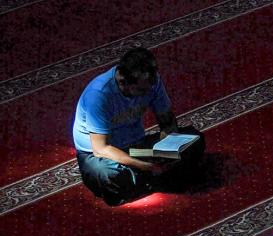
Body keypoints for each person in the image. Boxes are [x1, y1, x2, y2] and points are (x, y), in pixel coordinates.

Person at [71, 47, 205, 205]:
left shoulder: (151, 82)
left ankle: (147, 180)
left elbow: (167, 120)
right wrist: (146, 166)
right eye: (141, 90)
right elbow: (102, 149)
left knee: (194, 139)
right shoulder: (99, 95)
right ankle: (157, 177)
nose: (147, 92)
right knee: (108, 175)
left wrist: (169, 146)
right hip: (102, 155)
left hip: (137, 147)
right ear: (123, 81)